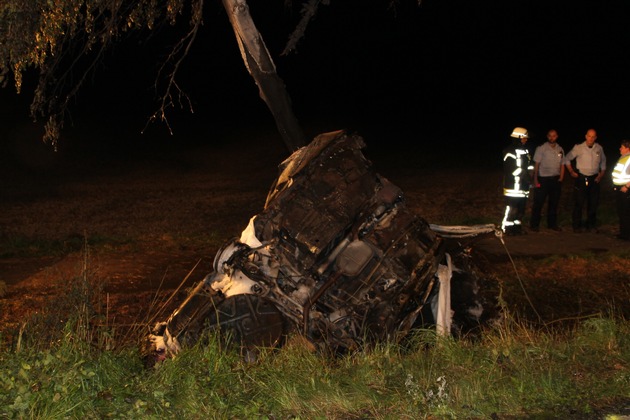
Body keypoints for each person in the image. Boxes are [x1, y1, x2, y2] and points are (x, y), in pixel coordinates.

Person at [564, 128, 607, 232]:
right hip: (582, 178)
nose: (591, 138)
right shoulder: (579, 147)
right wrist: (571, 172)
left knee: (593, 204)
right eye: (589, 136)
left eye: (593, 136)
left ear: (595, 138)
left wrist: (601, 175)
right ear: (586, 136)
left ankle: (591, 225)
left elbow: (603, 163)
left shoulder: (599, 148)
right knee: (579, 203)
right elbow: (567, 159)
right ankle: (576, 226)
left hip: (594, 180)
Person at [530, 129, 565, 231]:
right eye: (550, 135)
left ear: (557, 136)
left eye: (554, 136)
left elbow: (562, 164)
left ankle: (552, 224)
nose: (552, 138)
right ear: (547, 136)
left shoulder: (560, 149)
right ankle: (534, 225)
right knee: (538, 202)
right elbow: (537, 164)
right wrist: (536, 180)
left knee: (554, 203)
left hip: (555, 180)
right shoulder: (541, 148)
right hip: (543, 179)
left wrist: (561, 177)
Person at [501, 127, 533, 235]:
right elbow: (511, 169)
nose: (526, 140)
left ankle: (517, 228)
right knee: (511, 208)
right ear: (518, 137)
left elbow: (528, 166)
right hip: (513, 187)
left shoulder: (526, 151)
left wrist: (531, 175)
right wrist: (525, 175)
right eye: (524, 138)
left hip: (523, 187)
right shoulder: (508, 151)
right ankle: (506, 229)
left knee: (521, 209)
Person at [611, 139, 630, 240]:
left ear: (627, 148)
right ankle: (623, 233)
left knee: (625, 212)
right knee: (621, 211)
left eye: (622, 147)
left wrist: (627, 186)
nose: (620, 149)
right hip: (620, 188)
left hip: (625, 189)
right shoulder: (623, 157)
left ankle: (626, 235)